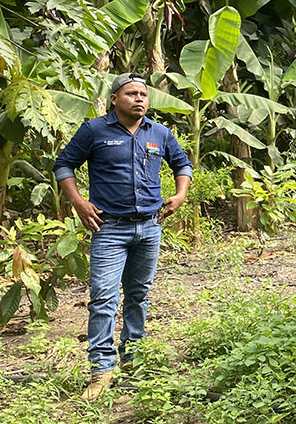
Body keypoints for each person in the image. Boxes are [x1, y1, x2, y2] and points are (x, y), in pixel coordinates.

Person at [54, 72, 193, 400]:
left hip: (149, 227)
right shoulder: (94, 131)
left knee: (138, 295)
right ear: (114, 99)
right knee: (102, 299)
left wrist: (180, 194)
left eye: (143, 94)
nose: (140, 99)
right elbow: (64, 165)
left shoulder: (159, 133)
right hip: (109, 228)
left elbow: (182, 165)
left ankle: (134, 358)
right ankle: (101, 370)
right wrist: (78, 202)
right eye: (131, 94)